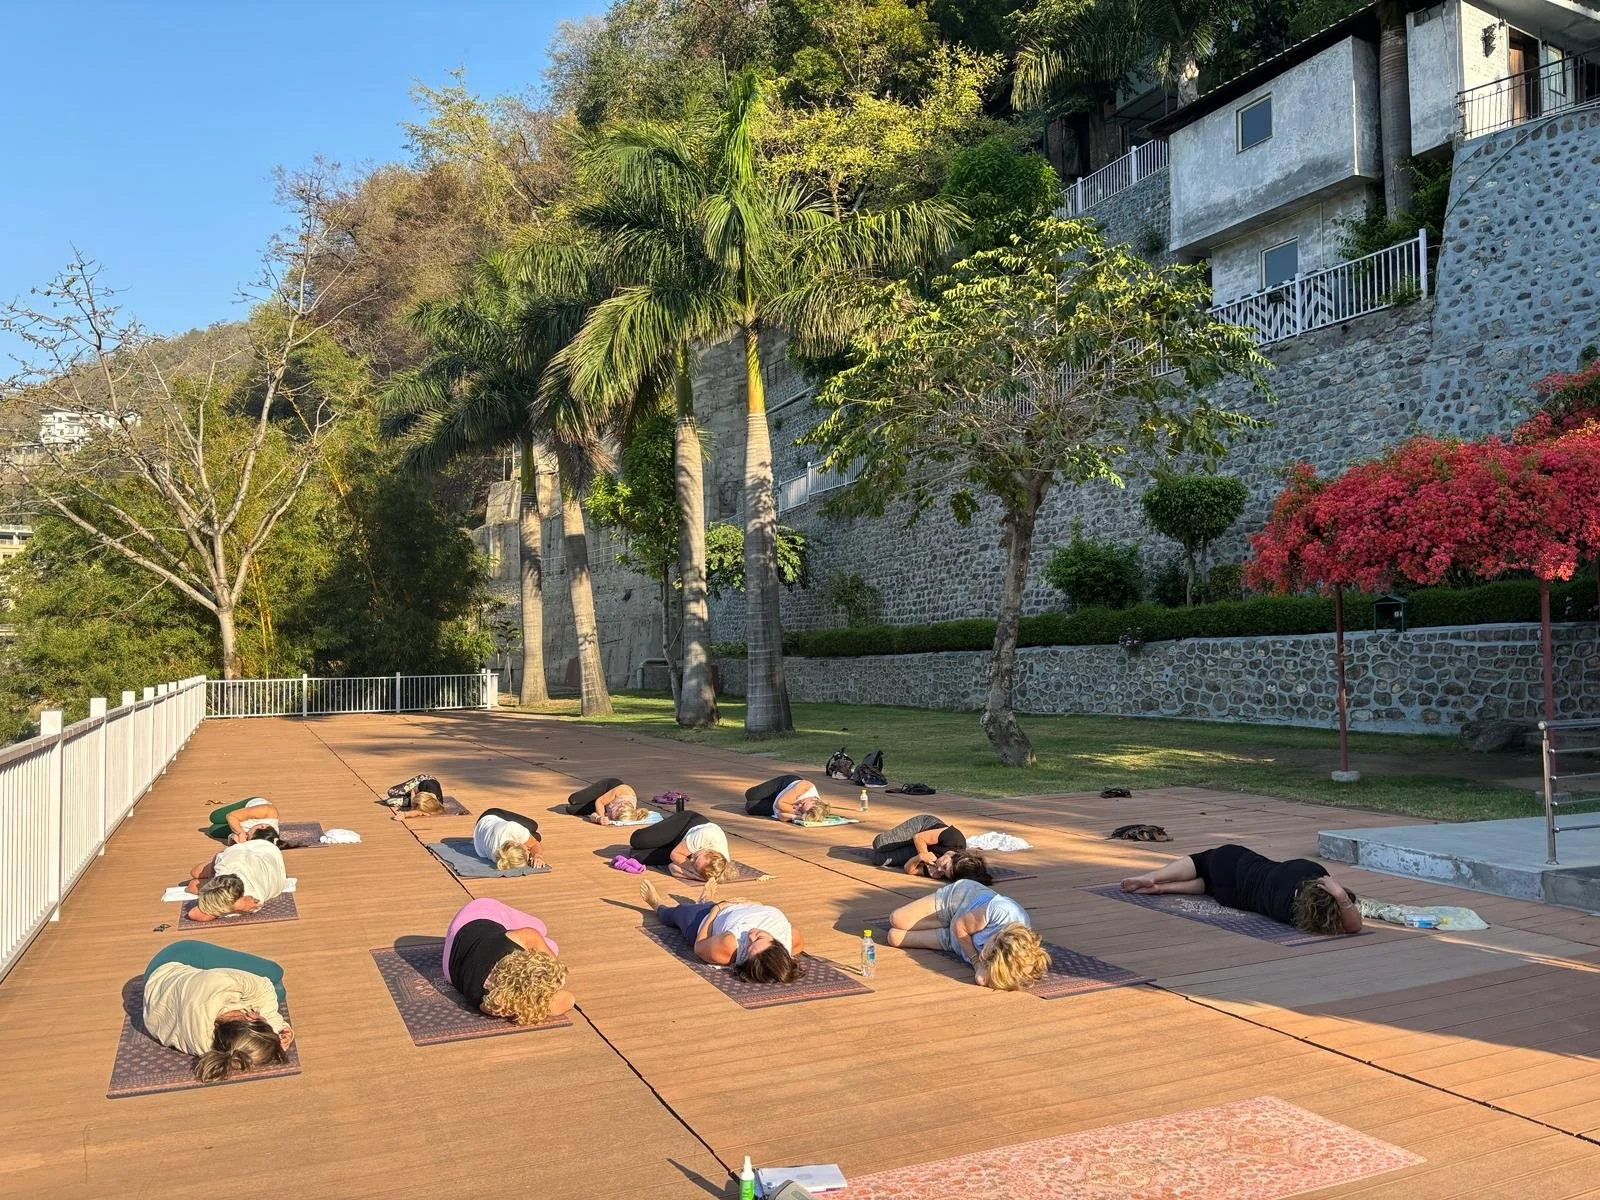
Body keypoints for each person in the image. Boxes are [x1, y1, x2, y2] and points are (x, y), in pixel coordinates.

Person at [1119, 844, 1362, 935]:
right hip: (1232, 896)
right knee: (1208, 886)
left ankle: (1152, 877)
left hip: (1233, 862)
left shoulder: (1309, 870)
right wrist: (1341, 899)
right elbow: (1354, 927)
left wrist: (1336, 889)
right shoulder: (1291, 916)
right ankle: (1161, 889)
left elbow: (1345, 908)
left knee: (1202, 862)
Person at [141, 940, 293, 1081]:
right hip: (155, 993)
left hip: (170, 963)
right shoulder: (210, 1048)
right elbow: (266, 990)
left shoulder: (219, 985)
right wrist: (277, 1028)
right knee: (277, 985)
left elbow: (264, 986)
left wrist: (272, 1028)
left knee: (274, 975)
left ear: (251, 1017)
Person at [886, 879, 1051, 991]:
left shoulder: (1015, 963)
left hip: (954, 941)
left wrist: (983, 969)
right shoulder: (1002, 911)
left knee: (893, 938)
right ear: (1000, 934)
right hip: (959, 903)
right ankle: (936, 918)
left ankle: (935, 925)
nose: (983, 956)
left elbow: (981, 979)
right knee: (897, 920)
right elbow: (960, 925)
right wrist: (975, 961)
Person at [640, 878, 805, 984]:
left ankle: (657, 904)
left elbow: (699, 946)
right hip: (739, 908)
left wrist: (717, 908)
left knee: (676, 913)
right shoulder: (792, 939)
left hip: (705, 920)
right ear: (777, 943)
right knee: (705, 905)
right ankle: (705, 900)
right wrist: (755, 903)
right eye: (759, 938)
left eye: (749, 946)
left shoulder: (727, 947)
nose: (751, 936)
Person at [441, 898, 574, 1025]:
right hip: (452, 963)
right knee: (545, 933)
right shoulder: (494, 1004)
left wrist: (551, 982)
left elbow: (534, 938)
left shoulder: (494, 1002)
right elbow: (568, 1000)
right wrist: (552, 985)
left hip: (470, 921)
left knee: (542, 933)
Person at [186, 838, 288, 920]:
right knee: (195, 873)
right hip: (262, 851)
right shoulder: (225, 864)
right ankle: (211, 876)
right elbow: (219, 856)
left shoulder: (251, 897)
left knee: (192, 886)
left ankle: (210, 878)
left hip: (262, 855)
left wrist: (233, 906)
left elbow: (193, 914)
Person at [871, 815, 992, 882]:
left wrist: (919, 858)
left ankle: (907, 846)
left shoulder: (945, 872)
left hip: (923, 850)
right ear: (953, 856)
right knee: (880, 844)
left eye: (944, 872)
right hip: (923, 828)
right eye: (944, 866)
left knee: (879, 859)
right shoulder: (955, 838)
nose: (939, 868)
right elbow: (919, 837)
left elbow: (910, 870)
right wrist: (923, 852)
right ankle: (902, 842)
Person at [628, 810, 729, 884]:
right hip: (686, 825)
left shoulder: (714, 871)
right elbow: (674, 854)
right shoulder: (706, 835)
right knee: (638, 841)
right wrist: (691, 867)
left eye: (694, 865)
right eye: (696, 858)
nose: (693, 859)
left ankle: (665, 842)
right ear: (709, 851)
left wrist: (696, 876)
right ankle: (662, 837)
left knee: (637, 856)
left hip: (681, 848)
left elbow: (673, 867)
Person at [472, 807, 545, 870]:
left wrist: (537, 855)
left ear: (514, 843)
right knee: (537, 836)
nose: (529, 851)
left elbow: (535, 844)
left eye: (527, 850)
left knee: (533, 825)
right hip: (481, 831)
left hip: (490, 815)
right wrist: (535, 853)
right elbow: (535, 843)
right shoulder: (501, 858)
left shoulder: (512, 828)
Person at [744, 775, 833, 825]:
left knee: (750, 807)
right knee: (750, 795)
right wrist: (795, 811)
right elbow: (780, 804)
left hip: (778, 804)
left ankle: (767, 800)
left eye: (802, 809)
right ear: (815, 799)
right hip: (782, 786)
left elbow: (780, 815)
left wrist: (797, 817)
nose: (800, 805)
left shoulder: (807, 813)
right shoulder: (805, 786)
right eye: (804, 803)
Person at [566, 777, 652, 825]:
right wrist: (602, 815)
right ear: (620, 804)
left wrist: (598, 819)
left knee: (571, 809)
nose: (612, 815)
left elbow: (593, 815)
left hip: (605, 803)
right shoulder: (623, 792)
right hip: (607, 788)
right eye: (613, 813)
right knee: (574, 800)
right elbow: (599, 802)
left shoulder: (621, 813)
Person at [205, 797, 283, 846]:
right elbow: (231, 816)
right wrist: (241, 832)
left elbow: (234, 838)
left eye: (248, 837)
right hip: (245, 810)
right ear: (262, 826)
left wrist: (235, 839)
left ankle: (234, 827)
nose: (247, 834)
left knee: (213, 831)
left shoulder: (263, 840)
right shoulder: (267, 811)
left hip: (241, 826)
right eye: (249, 833)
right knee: (215, 817)